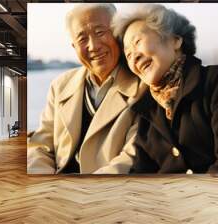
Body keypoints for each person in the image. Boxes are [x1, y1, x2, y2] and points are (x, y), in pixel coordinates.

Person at [112, 4, 218, 174]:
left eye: (137, 42)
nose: (134, 56)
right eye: (128, 54)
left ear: (175, 40)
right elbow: (140, 178)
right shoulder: (146, 111)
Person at [27, 3, 146, 174]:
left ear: (119, 33)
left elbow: (133, 155)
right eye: (82, 39)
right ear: (74, 47)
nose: (93, 46)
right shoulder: (60, 85)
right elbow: (41, 145)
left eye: (100, 32)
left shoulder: (143, 85)